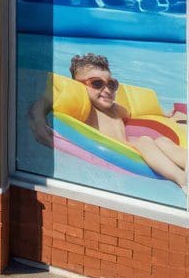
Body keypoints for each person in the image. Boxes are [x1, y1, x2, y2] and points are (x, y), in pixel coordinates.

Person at [29, 52, 189, 192]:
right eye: (97, 83)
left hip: (129, 146)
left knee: (163, 140)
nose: (107, 90)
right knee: (145, 141)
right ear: (78, 86)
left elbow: (134, 113)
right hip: (120, 155)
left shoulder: (116, 109)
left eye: (112, 84)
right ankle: (182, 180)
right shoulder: (86, 109)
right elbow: (43, 102)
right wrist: (38, 122)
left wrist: (167, 115)